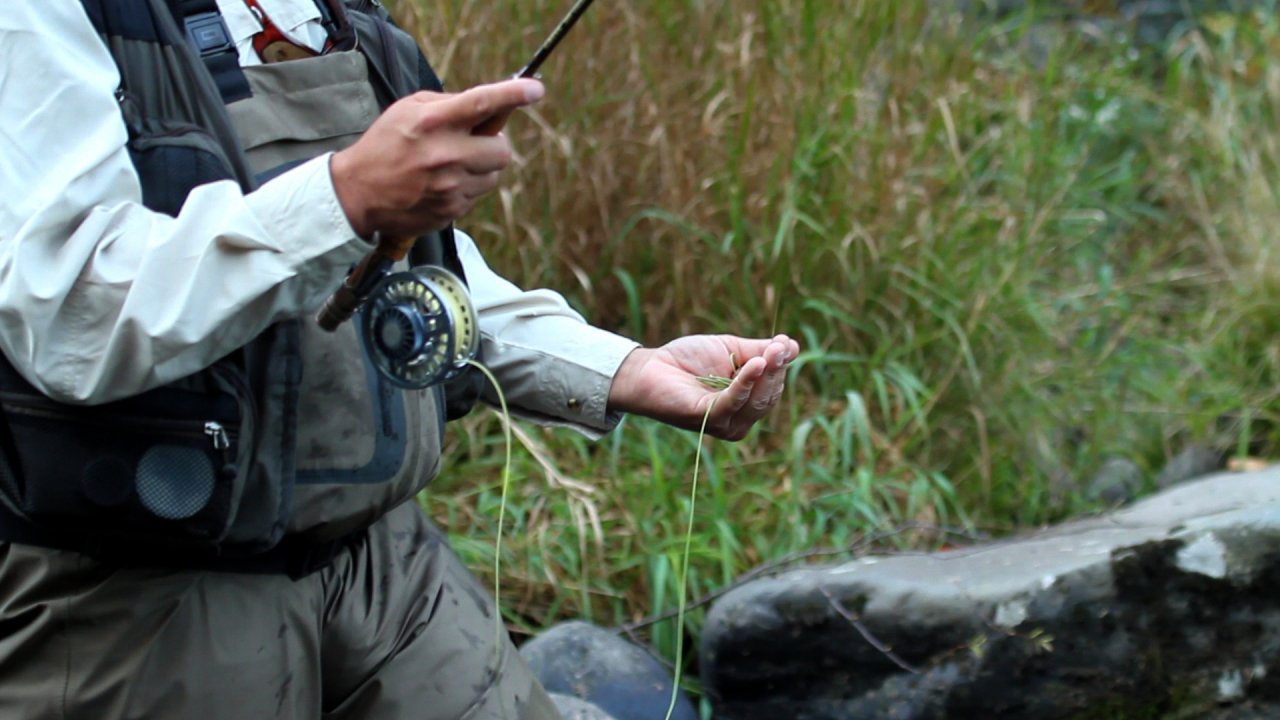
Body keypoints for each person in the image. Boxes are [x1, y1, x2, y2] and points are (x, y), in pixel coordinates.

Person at [0, 2, 798, 718]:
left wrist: (621, 369)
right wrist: (344, 197)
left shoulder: (336, 12)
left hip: (389, 569)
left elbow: (425, 279)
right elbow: (67, 312)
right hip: (137, 602)